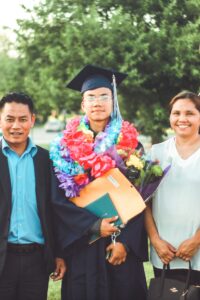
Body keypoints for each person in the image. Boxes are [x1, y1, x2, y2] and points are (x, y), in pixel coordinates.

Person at [50, 65, 148, 300]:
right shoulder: (64, 148)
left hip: (120, 248)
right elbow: (57, 200)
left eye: (104, 96)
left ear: (113, 101)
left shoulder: (130, 145)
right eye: (91, 97)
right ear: (83, 104)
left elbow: (142, 195)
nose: (97, 102)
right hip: (83, 247)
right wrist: (93, 226)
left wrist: (125, 242)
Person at [0, 92, 66, 300]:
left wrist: (59, 253)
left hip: (37, 260)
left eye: (22, 119)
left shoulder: (46, 161)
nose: (16, 126)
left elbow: (55, 211)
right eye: (9, 119)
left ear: (32, 120)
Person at [145, 91, 200, 285]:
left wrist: (196, 241)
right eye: (176, 113)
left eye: (190, 113)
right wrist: (155, 240)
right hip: (165, 254)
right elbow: (145, 203)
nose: (182, 119)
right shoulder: (157, 152)